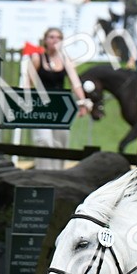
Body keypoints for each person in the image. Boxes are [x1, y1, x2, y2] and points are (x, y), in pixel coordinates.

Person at [22, 27, 93, 170]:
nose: (55, 40)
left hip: (61, 108)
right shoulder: (37, 58)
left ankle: (58, 174)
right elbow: (27, 83)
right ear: (45, 40)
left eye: (58, 38)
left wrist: (82, 102)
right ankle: (44, 173)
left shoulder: (66, 60)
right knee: (44, 141)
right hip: (41, 107)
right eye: (51, 37)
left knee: (61, 142)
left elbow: (75, 83)